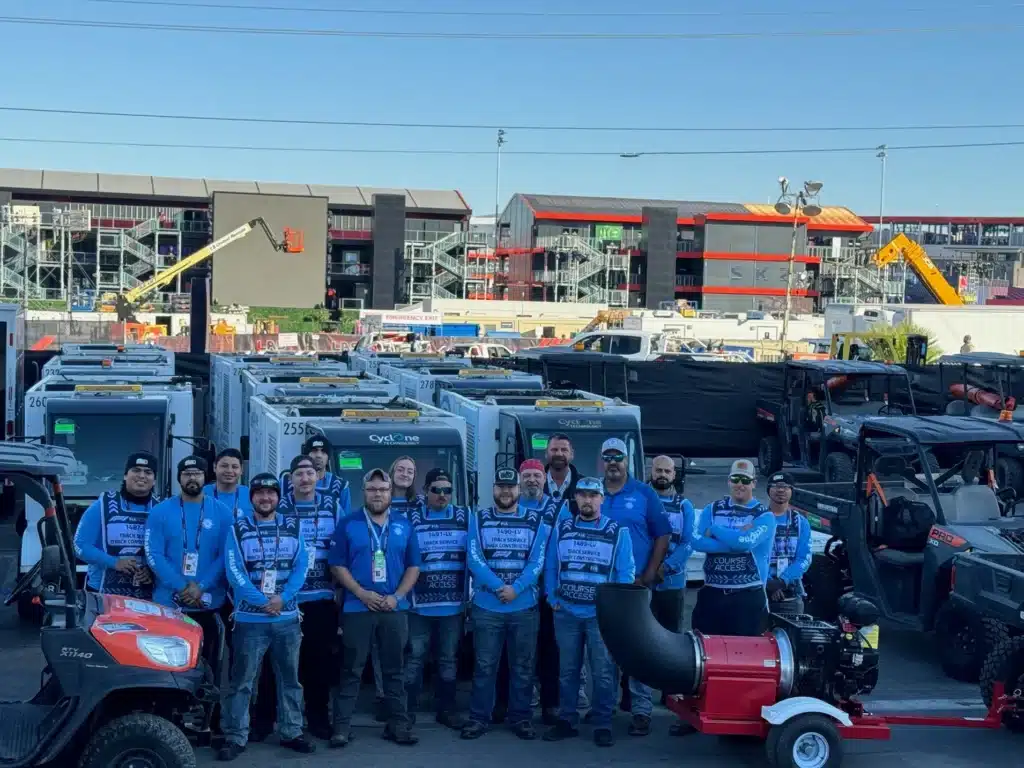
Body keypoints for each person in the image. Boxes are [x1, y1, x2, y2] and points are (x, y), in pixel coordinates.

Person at [217, 474, 314, 761]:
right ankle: (236, 735)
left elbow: (302, 566)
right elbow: (234, 571)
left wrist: (282, 599)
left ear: (278, 498)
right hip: (250, 620)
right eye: (259, 493)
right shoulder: (238, 528)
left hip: (287, 619)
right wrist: (262, 601)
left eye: (270, 493)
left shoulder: (294, 526)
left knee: (290, 679)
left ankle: (292, 731)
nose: (265, 498)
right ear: (252, 499)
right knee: (242, 682)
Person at [328, 468, 421, 748]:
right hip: (358, 608)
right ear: (364, 492)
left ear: (391, 492)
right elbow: (336, 564)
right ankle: (341, 728)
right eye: (372, 489)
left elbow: (414, 565)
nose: (378, 494)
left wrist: (398, 596)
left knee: (395, 670)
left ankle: (398, 725)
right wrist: (360, 593)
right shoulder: (348, 524)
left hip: (394, 608)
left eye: (383, 489)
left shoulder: (404, 524)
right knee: (351, 670)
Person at [542, 477, 634, 747]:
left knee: (603, 671)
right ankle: (567, 719)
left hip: (599, 615)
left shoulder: (618, 532)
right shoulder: (563, 528)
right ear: (576, 499)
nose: (587, 500)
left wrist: (614, 606)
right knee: (568, 670)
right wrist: (551, 595)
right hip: (566, 612)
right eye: (582, 495)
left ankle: (602, 722)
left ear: (602, 499)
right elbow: (551, 566)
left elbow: (625, 573)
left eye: (593, 495)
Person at [462, 468, 552, 742]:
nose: (505, 492)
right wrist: (500, 588)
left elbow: (538, 562)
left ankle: (521, 718)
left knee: (523, 667)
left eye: (510, 487)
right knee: (484, 666)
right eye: (500, 486)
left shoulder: (537, 522)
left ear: (518, 490)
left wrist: (516, 589)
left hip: (523, 608)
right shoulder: (478, 519)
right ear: (494, 490)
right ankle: (479, 718)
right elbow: (474, 558)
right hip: (488, 608)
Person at [598, 438, 671, 736]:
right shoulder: (591, 491)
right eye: (608, 456)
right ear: (602, 461)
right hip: (602, 589)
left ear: (627, 461)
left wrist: (650, 573)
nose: (613, 462)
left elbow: (662, 534)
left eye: (619, 457)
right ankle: (604, 707)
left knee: (638, 647)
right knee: (603, 650)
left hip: (637, 587)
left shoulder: (644, 493)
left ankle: (641, 710)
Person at [145, 456, 232, 687]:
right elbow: (154, 554)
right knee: (167, 672)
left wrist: (200, 587)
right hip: (168, 605)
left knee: (209, 671)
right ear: (179, 478)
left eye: (197, 473)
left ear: (205, 477)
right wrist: (182, 586)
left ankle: (208, 721)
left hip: (207, 604)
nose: (192, 478)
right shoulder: (161, 511)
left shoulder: (222, 512)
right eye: (186, 474)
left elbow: (227, 556)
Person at [276, 454, 344, 741]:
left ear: (319, 476)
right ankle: (282, 720)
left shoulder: (332, 506)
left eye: (310, 472)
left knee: (319, 664)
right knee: (285, 665)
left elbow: (341, 548)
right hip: (287, 601)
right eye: (299, 473)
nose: (305, 478)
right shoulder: (278, 508)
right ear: (290, 479)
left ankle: (318, 719)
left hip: (321, 599)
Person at [405, 469, 469, 729]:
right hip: (418, 605)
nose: (442, 495)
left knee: (447, 659)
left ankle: (447, 709)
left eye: (447, 490)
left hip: (452, 606)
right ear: (425, 492)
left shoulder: (466, 517)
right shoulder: (411, 518)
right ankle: (406, 712)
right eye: (436, 490)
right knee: (414, 658)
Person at [691, 459, 777, 637]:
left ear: (754, 483)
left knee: (746, 656)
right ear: (729, 481)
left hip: (748, 596)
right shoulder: (712, 509)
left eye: (745, 480)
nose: (740, 484)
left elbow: (744, 543)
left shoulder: (765, 515)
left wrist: (715, 529)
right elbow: (697, 542)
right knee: (707, 654)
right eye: (736, 479)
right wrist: (736, 539)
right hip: (712, 594)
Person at [73, 451, 159, 598]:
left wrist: (153, 571)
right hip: (102, 593)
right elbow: (79, 545)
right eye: (136, 470)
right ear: (125, 475)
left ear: (154, 480)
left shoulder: (161, 509)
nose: (142, 476)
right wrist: (115, 563)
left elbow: (170, 553)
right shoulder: (102, 506)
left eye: (148, 472)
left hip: (146, 596)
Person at [517, 458, 562, 724]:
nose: (532, 480)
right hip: (519, 593)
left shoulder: (558, 509)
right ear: (520, 480)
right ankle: (518, 702)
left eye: (537, 475)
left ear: (545, 479)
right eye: (527, 476)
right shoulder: (512, 506)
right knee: (521, 651)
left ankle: (551, 704)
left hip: (547, 593)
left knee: (549, 650)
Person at [649, 455, 695, 634]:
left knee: (671, 636)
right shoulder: (640, 500)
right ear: (651, 472)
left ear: (674, 474)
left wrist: (664, 568)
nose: (662, 474)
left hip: (672, 583)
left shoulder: (684, 506)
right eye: (658, 470)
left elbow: (688, 543)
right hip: (641, 581)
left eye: (667, 471)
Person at [764, 472, 812, 615]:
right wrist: (768, 583)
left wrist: (782, 581)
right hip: (759, 591)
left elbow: (804, 558)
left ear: (792, 491)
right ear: (768, 490)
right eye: (776, 486)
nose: (780, 490)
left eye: (785, 487)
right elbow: (750, 555)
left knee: (791, 636)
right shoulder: (757, 518)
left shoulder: (800, 522)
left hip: (790, 593)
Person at [205, 448, 251, 519]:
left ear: (241, 470)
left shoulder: (250, 494)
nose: (229, 471)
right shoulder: (202, 494)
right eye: (224, 466)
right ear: (214, 467)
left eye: (234, 467)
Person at [544, 434, 580, 505]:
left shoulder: (583, 485)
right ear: (546, 453)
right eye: (554, 449)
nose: (559, 454)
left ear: (572, 454)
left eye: (564, 450)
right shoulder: (534, 483)